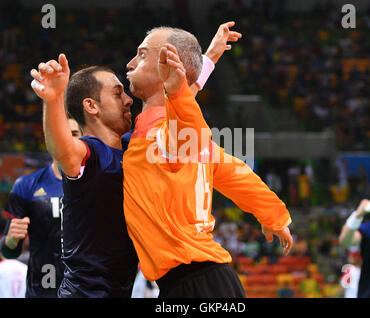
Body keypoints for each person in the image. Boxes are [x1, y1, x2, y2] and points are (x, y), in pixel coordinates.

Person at [29, 22, 242, 297]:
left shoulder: (134, 147)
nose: (128, 100)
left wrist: (209, 58)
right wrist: (54, 99)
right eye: (117, 94)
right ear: (91, 106)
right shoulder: (91, 153)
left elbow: (180, 100)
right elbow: (62, 149)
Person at [122, 25, 293, 297]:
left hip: (194, 284)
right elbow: (241, 176)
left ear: (167, 65)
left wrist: (177, 88)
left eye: (142, 55)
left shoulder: (165, 134)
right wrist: (273, 215)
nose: (130, 64)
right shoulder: (197, 144)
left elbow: (186, 117)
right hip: (206, 280)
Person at [0, 118, 82, 298]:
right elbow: (8, 250)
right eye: (60, 134)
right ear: (49, 140)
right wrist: (11, 240)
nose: (66, 140)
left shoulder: (99, 183)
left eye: (74, 134)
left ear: (84, 139)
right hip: (43, 289)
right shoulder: (26, 185)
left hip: (87, 288)